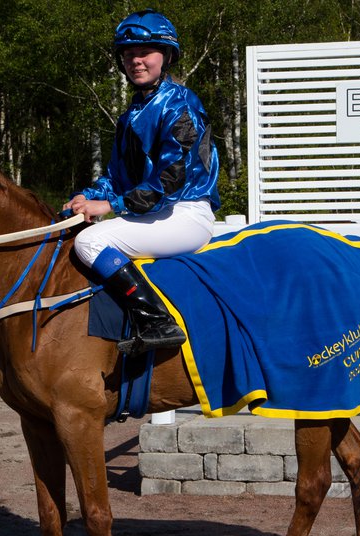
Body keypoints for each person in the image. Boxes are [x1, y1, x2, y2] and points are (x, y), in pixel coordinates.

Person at [65, 9, 220, 356]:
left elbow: (170, 180)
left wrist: (111, 206)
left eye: (145, 51)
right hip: (154, 213)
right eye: (129, 53)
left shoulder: (181, 104)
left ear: (165, 57)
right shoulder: (131, 114)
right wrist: (85, 197)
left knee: (89, 242)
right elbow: (116, 179)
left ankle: (157, 321)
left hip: (185, 213)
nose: (136, 60)